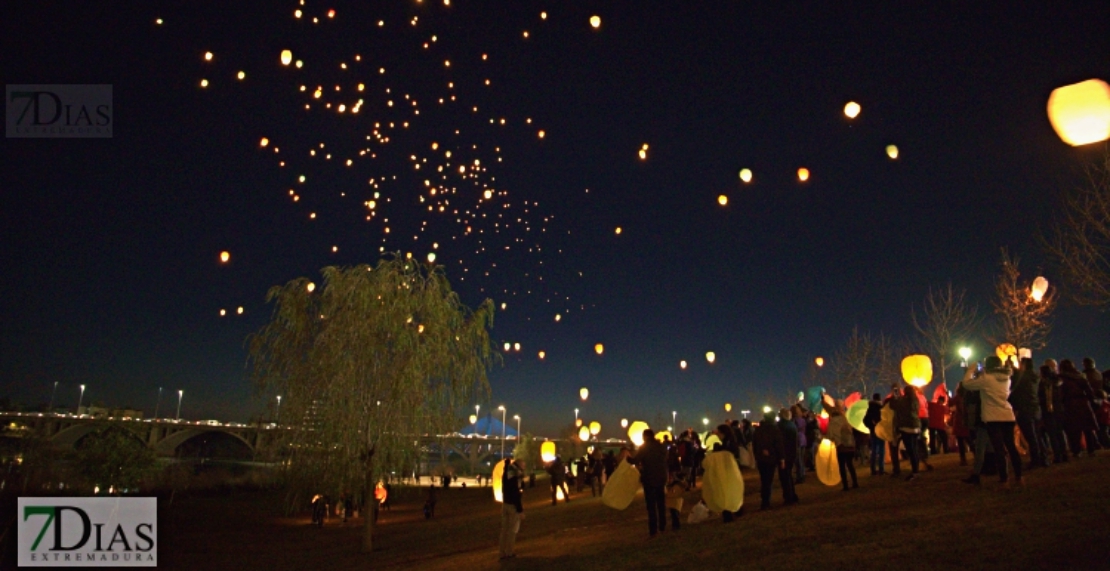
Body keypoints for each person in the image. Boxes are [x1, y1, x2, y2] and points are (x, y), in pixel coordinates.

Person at [963, 356, 1023, 487]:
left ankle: (1004, 478)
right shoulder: (1006, 378)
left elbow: (967, 384)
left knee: (999, 449)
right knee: (1011, 446)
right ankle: (1019, 476)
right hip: (1007, 415)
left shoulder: (986, 379)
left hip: (992, 417)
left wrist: (970, 370)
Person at [628, 428, 668, 537]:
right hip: (661, 477)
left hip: (649, 478)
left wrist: (627, 458)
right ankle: (662, 525)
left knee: (651, 505)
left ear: (645, 436)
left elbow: (635, 460)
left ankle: (653, 529)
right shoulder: (661, 446)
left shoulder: (644, 447)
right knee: (661, 502)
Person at [1010, 357, 1046, 468]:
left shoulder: (1022, 378)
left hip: (1024, 409)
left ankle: (1036, 460)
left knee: (1031, 437)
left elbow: (1015, 390)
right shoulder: (1035, 377)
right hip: (1035, 408)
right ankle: (1043, 458)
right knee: (1037, 435)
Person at [1060, 359, 1100, 457]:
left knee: (1074, 430)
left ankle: (1077, 450)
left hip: (1070, 405)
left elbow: (1061, 393)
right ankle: (1091, 449)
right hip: (1083, 404)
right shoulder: (1080, 376)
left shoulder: (1062, 378)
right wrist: (1092, 401)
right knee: (1087, 428)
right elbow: (1089, 391)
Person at [752, 411, 785, 510]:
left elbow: (755, 444)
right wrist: (781, 458)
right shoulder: (774, 429)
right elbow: (779, 445)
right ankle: (766, 501)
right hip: (771, 458)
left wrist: (758, 454)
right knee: (768, 480)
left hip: (761, 459)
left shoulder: (758, 430)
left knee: (764, 480)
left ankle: (764, 500)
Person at [1039, 361, 1068, 463]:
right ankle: (1064, 454)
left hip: (1048, 410)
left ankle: (1058, 456)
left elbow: (1041, 398)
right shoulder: (1058, 382)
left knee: (1052, 434)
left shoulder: (1043, 384)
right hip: (1059, 409)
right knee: (1060, 432)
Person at [826, 400, 859, 491]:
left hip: (840, 446)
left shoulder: (832, 422)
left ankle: (845, 485)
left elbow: (830, 435)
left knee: (842, 466)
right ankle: (855, 482)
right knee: (850, 464)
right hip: (849, 445)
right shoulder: (846, 419)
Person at [892, 385, 921, 481]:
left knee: (911, 450)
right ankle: (916, 470)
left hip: (906, 428)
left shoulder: (903, 401)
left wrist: (895, 392)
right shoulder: (916, 400)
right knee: (915, 450)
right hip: (916, 427)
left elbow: (894, 405)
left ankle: (915, 472)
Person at [499, 457, 525, 560]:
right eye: (523, 465)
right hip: (512, 506)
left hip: (505, 504)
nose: (524, 467)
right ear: (519, 465)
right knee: (512, 531)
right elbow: (516, 494)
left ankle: (502, 552)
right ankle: (509, 552)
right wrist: (520, 510)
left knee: (504, 530)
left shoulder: (507, 473)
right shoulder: (515, 476)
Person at [776, 410, 800, 504]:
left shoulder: (780, 426)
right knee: (788, 475)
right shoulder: (792, 425)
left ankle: (788, 496)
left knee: (784, 476)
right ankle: (792, 495)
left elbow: (780, 442)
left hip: (784, 454)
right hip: (792, 453)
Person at [863, 393, 886, 474]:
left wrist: (871, 425)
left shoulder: (869, 409)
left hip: (873, 432)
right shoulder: (881, 408)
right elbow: (884, 419)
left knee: (874, 450)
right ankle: (881, 468)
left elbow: (865, 420)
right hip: (881, 431)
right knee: (881, 450)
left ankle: (873, 469)